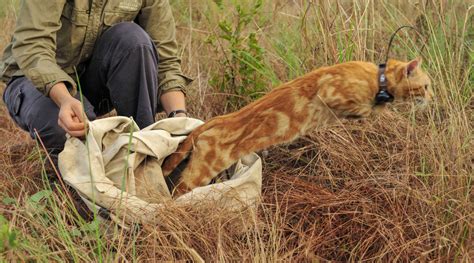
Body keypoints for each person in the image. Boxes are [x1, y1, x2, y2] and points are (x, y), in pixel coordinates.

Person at [1, 0, 192, 156]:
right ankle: (82, 184)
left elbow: (166, 59)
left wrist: (180, 120)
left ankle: (144, 150)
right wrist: (66, 100)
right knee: (70, 134)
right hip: (32, 81)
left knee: (133, 39)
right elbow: (33, 47)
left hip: (91, 80)